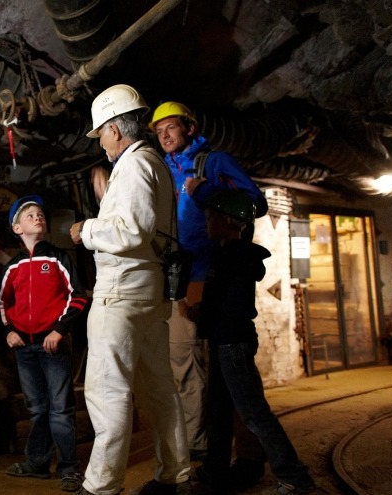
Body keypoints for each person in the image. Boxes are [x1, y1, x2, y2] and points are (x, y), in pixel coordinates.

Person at [69, 84, 191, 495]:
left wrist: (85, 229)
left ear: (115, 129)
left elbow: (132, 230)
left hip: (122, 294)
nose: (101, 142)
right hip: (146, 295)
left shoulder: (136, 164)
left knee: (108, 392)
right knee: (159, 388)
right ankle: (174, 474)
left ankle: (101, 485)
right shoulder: (152, 164)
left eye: (101, 132)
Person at [150, 101, 269, 486]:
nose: (165, 135)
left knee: (230, 371)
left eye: (170, 127)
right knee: (186, 368)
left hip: (214, 276)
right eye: (159, 130)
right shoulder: (163, 169)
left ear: (189, 127)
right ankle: (207, 453)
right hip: (180, 279)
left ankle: (250, 458)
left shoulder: (213, 163)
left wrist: (208, 192)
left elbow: (256, 204)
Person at [188, 190, 315, 495]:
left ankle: (295, 477)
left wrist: (200, 313)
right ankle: (215, 471)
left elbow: (227, 306)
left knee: (254, 412)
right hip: (224, 342)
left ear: (228, 221)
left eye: (211, 218)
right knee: (218, 411)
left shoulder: (233, 259)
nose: (206, 223)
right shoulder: (230, 256)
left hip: (232, 343)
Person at [0, 195, 88, 493]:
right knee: (37, 408)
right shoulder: (12, 267)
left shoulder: (59, 259)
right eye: (29, 215)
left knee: (61, 409)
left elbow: (78, 296)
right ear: (17, 228)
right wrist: (9, 330)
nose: (37, 217)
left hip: (54, 346)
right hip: (25, 348)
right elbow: (2, 302)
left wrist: (59, 330)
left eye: (40, 214)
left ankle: (69, 468)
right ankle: (37, 463)